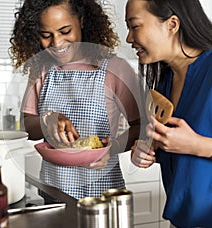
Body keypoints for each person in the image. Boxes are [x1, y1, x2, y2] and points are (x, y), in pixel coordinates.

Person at [9, 0, 142, 204]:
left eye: (65, 31)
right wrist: (47, 121)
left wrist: (112, 148)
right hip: (53, 192)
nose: (57, 43)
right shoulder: (41, 70)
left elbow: (141, 126)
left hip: (103, 193)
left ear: (81, 21)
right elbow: (28, 126)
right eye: (46, 35)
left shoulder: (116, 68)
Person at [125, 0, 212, 228]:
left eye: (135, 26)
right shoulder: (166, 81)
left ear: (172, 24)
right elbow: (177, 154)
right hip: (181, 222)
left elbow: (193, 145)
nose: (129, 39)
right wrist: (147, 151)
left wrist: (199, 145)